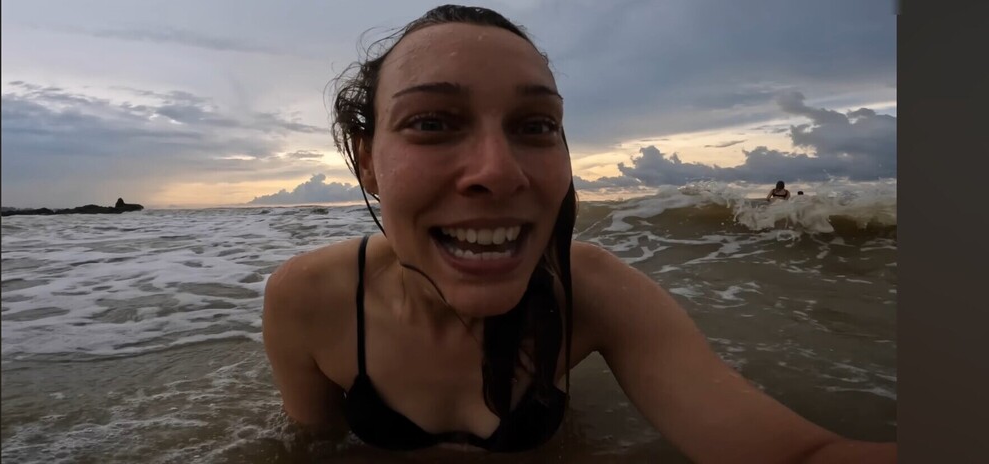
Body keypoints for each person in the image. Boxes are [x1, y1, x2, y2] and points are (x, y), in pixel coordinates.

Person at [262, 4, 896, 462]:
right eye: (431, 123)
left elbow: (801, 454)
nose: (498, 172)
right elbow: (308, 448)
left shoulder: (591, 292)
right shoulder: (309, 299)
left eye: (536, 125)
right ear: (367, 161)